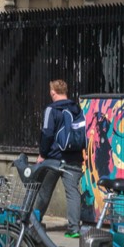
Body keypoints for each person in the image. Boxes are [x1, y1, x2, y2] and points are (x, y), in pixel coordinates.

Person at [38, 79, 86, 238]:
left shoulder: (51, 109)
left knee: (44, 190)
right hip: (74, 158)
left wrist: (42, 154)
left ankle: (35, 222)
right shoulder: (77, 108)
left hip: (54, 158)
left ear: (53, 92)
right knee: (73, 192)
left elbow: (47, 133)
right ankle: (74, 229)